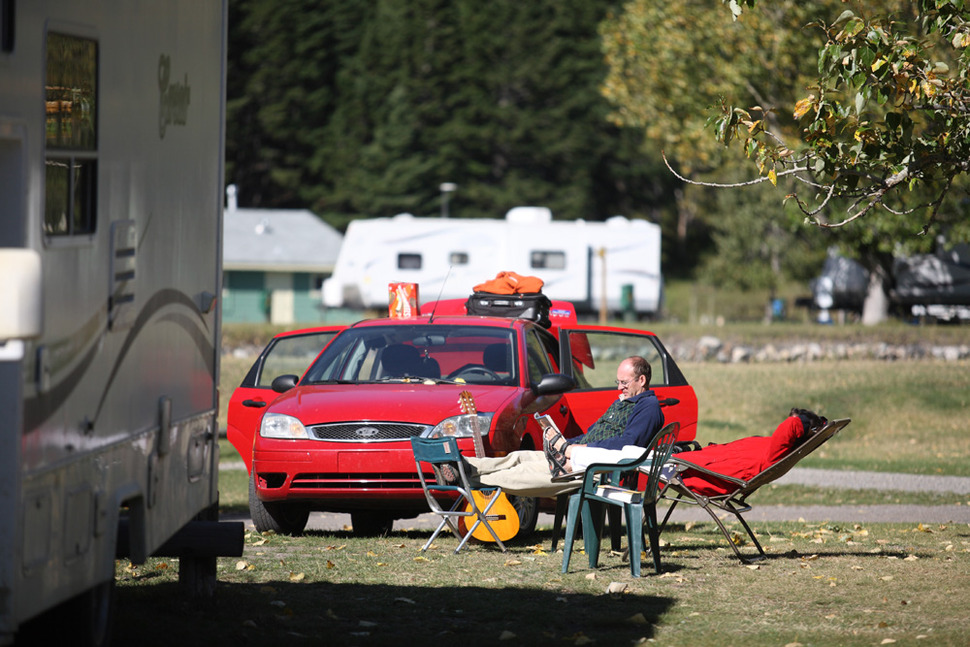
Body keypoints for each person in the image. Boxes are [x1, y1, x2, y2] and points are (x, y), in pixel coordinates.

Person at [443, 356, 665, 497]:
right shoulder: (623, 402)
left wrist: (574, 451)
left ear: (642, 380)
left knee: (523, 473)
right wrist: (564, 444)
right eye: (618, 382)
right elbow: (591, 434)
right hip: (579, 457)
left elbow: (627, 445)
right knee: (521, 457)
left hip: (596, 468)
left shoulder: (649, 407)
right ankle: (464, 464)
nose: (619, 388)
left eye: (624, 383)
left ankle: (465, 477)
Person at [663, 408, 827, 496]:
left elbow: (791, 425)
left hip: (693, 473)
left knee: (645, 460)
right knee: (647, 458)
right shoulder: (776, 448)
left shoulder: (777, 452)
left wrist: (804, 422)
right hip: (694, 463)